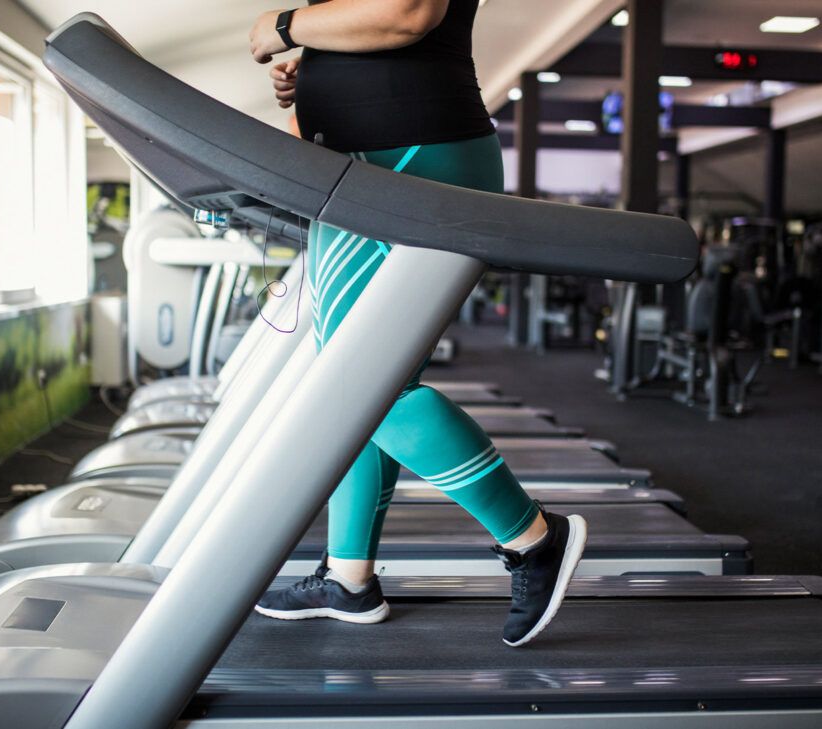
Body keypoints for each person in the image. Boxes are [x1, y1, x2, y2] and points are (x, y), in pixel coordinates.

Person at [248, 0, 587, 647]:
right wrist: (315, 66)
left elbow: (409, 11)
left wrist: (285, 26)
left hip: (406, 161)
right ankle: (348, 576)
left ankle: (534, 536)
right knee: (364, 386)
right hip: (372, 164)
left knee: (361, 386)